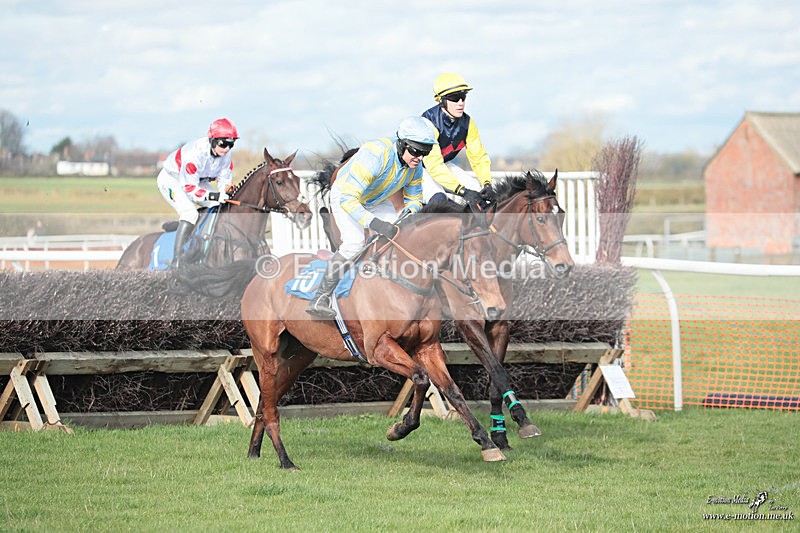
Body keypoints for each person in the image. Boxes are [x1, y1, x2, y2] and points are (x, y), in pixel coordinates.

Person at [306, 116, 435, 319]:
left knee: (400, 237)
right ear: (401, 144)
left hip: (375, 199)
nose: (419, 158)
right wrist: (373, 223)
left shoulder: (415, 167)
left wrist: (408, 214)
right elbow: (349, 199)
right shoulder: (375, 155)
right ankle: (321, 296)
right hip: (346, 195)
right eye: (416, 151)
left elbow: (414, 198)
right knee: (355, 243)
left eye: (424, 153)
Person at [156, 118, 238, 267]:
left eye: (231, 144)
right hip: (172, 180)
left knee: (219, 207)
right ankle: (177, 260)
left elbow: (224, 181)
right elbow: (190, 190)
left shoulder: (226, 156)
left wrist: (226, 191)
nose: (226, 149)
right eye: (223, 143)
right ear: (212, 140)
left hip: (198, 180)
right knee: (189, 213)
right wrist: (215, 195)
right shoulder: (194, 155)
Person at [421, 73, 496, 207]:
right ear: (441, 100)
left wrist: (487, 183)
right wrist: (461, 190)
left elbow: (478, 157)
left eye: (463, 97)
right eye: (455, 98)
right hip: (418, 171)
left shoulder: (468, 123)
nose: (460, 103)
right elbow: (433, 166)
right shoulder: (428, 122)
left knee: (480, 195)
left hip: (444, 166)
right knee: (439, 201)